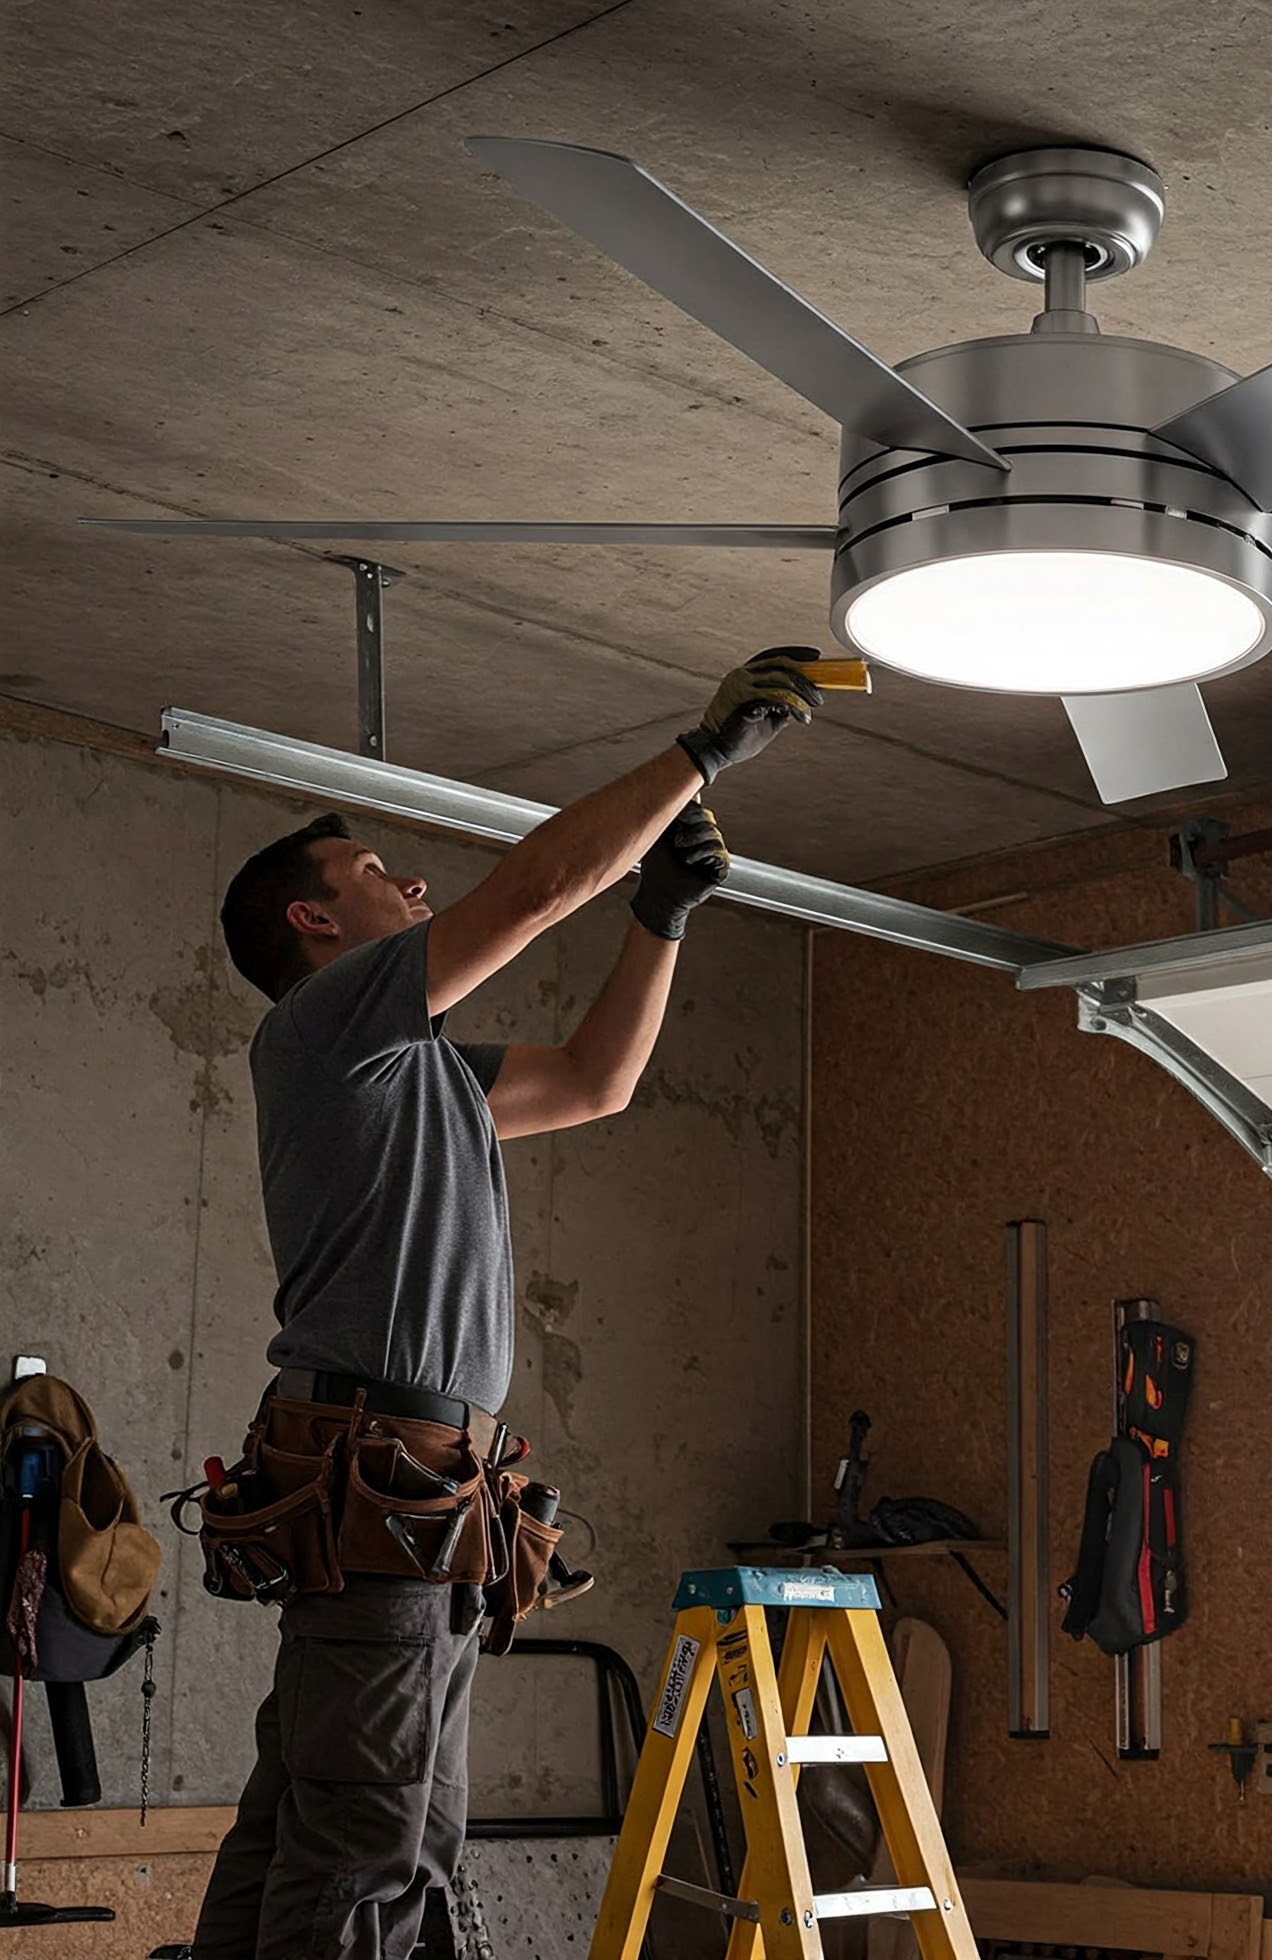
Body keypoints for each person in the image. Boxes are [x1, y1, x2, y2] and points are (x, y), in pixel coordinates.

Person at [188, 647, 823, 1960]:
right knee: (375, 1835)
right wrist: (697, 757)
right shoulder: (325, 1032)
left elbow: (596, 1081)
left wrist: (661, 922)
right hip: (387, 1486)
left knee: (316, 1817)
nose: (407, 885)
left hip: (403, 1488)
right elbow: (534, 890)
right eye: (371, 877)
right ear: (314, 925)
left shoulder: (418, 1075)